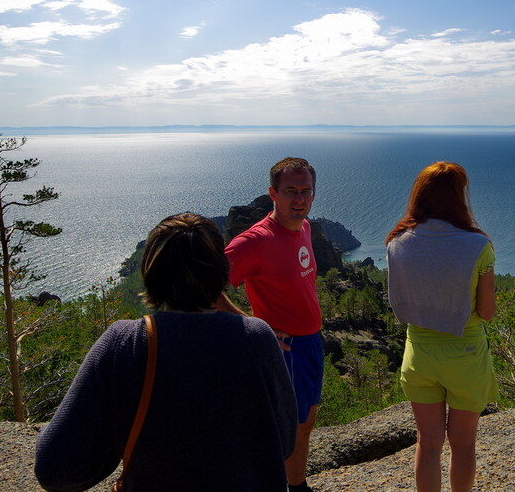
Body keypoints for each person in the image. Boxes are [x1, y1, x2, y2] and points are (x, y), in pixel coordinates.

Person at [35, 213, 297, 492]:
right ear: (220, 273)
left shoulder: (124, 342)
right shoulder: (257, 338)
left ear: (150, 273)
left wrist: (119, 446)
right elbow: (285, 440)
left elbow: (55, 470)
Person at [385, 161, 499, 492]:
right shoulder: (478, 245)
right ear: (459, 196)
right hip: (465, 354)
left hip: (419, 354)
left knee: (428, 443)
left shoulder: (397, 241)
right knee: (463, 445)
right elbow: (487, 311)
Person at [221, 157, 323, 492]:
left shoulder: (304, 227)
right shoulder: (255, 241)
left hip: (311, 343)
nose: (299, 199)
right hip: (286, 349)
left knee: (305, 422)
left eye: (305, 191)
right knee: (286, 429)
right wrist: (253, 326)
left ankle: (298, 485)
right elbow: (204, 289)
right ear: (273, 193)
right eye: (290, 191)